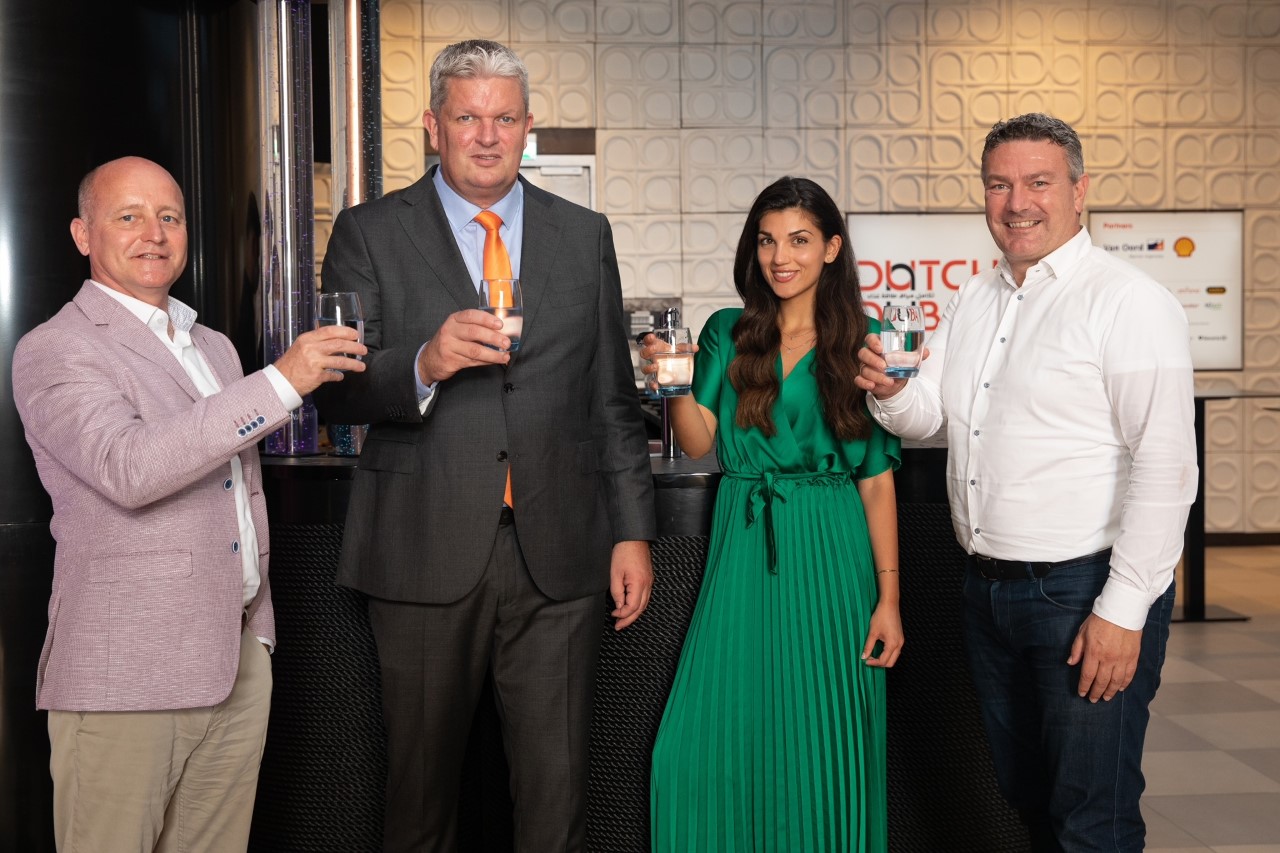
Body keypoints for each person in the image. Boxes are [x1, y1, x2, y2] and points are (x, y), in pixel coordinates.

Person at [311, 39, 656, 851]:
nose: (488, 135)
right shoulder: (369, 231)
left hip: (560, 554)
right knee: (420, 802)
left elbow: (612, 397)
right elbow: (335, 390)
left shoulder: (583, 234)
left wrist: (633, 530)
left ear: (528, 127)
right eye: (468, 117)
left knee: (556, 802)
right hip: (421, 548)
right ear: (434, 126)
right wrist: (423, 364)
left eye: (504, 118)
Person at [856, 113, 1197, 852]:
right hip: (987, 590)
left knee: (1093, 818)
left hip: (1084, 591)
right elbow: (931, 418)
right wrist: (891, 389)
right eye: (998, 185)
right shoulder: (976, 298)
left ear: (1079, 190)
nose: (1017, 203)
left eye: (1038, 182)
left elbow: (1168, 467)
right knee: (1029, 802)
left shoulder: (1128, 301)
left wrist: (1123, 611)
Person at [11, 156, 365, 852]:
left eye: (169, 217)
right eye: (129, 216)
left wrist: (258, 637)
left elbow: (236, 491)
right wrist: (282, 381)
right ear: (83, 235)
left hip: (234, 663)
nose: (154, 232)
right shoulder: (55, 348)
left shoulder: (213, 347)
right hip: (127, 674)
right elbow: (129, 467)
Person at [648, 176, 904, 851]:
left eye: (798, 240)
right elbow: (698, 442)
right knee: (699, 737)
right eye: (766, 241)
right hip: (742, 540)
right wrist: (673, 383)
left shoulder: (866, 338)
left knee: (823, 727)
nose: (779, 257)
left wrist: (889, 600)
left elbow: (876, 481)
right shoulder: (727, 332)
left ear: (832, 248)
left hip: (831, 545)